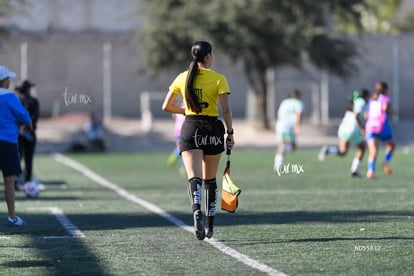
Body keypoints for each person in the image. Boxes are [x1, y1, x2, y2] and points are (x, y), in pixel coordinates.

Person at [162, 41, 234, 240]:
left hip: (191, 126)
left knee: (194, 178)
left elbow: (165, 106)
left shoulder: (182, 77)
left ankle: (196, 209)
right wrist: (230, 133)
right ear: (208, 56)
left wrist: (185, 110)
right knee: (210, 180)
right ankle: (210, 225)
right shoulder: (219, 78)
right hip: (212, 128)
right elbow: (226, 110)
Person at [0, 65, 32, 226]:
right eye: (7, 78)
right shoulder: (10, 97)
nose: (9, 80)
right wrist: (28, 127)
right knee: (9, 180)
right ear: (3, 80)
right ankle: (12, 217)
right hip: (7, 143)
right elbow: (24, 116)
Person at [318, 89, 370, 176]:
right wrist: (362, 127)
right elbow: (357, 115)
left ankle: (328, 150)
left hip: (343, 129)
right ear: (365, 96)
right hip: (353, 130)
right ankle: (354, 170)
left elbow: (361, 114)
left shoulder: (353, 103)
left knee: (343, 152)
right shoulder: (361, 102)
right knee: (363, 147)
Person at [364, 82, 396, 179]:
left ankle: (370, 171)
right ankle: (386, 161)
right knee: (391, 145)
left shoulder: (371, 99)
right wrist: (392, 111)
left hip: (370, 127)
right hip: (381, 127)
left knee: (373, 151)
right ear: (385, 89)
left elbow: (366, 115)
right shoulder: (385, 98)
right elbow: (385, 107)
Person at [16, 80, 39, 186]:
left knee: (18, 158)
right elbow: (34, 117)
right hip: (26, 133)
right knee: (27, 159)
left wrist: (21, 127)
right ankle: (26, 180)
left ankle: (18, 180)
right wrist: (26, 127)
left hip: (20, 134)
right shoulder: (32, 101)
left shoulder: (17, 100)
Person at [273, 89, 303, 171]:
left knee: (282, 145)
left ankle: (278, 162)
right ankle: (279, 163)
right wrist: (298, 126)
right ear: (296, 96)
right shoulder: (298, 103)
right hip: (290, 127)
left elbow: (279, 113)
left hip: (280, 125)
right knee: (293, 147)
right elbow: (299, 114)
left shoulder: (284, 102)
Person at [167, 99, 186, 174]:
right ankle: (183, 167)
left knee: (180, 147)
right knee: (186, 150)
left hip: (177, 130)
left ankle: (173, 157)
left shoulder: (178, 106)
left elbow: (174, 116)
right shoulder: (188, 107)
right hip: (185, 130)